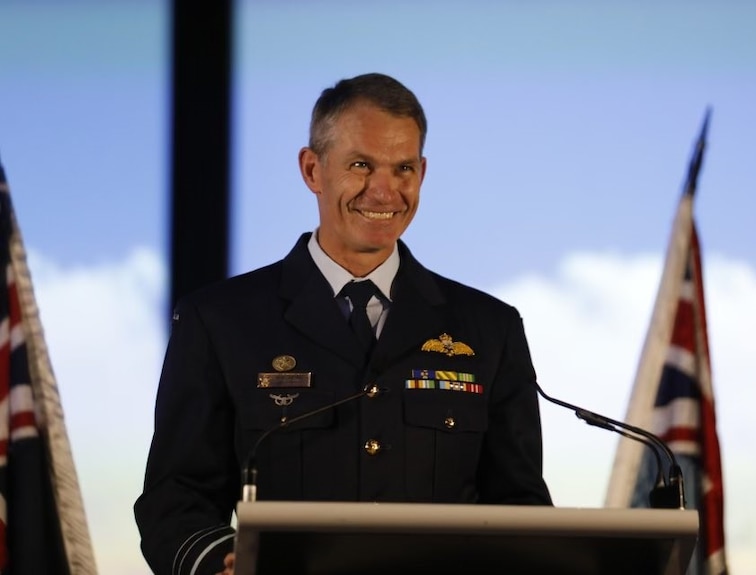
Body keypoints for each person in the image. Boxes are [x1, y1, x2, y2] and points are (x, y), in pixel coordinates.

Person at [134, 72, 552, 575]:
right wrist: (220, 562)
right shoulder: (219, 320)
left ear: (422, 172)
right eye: (361, 165)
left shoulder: (490, 328)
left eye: (403, 169)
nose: (385, 191)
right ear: (313, 170)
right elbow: (174, 497)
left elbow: (521, 508)